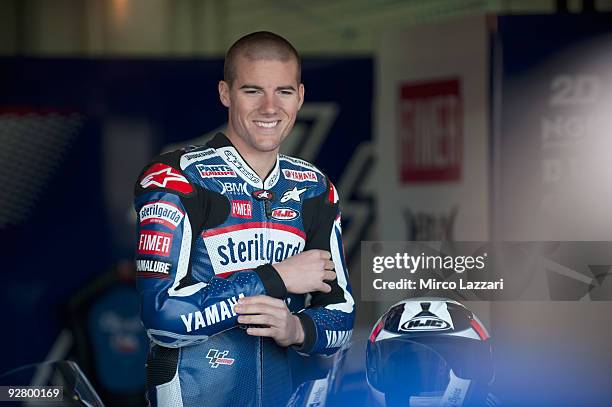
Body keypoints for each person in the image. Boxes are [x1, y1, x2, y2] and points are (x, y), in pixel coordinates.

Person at [134, 31, 355, 407]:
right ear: (225, 93)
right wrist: (275, 278)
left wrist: (297, 328)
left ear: (300, 97)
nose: (270, 108)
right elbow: (162, 317)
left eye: (283, 92)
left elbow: (342, 318)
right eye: (253, 91)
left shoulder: (316, 189)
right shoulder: (178, 178)